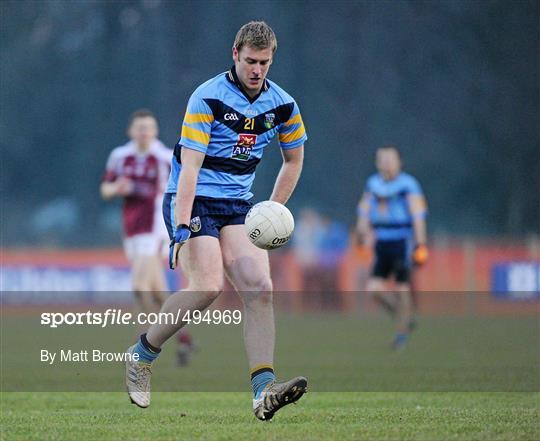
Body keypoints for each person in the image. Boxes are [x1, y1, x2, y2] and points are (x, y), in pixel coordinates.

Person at [125, 22, 308, 421]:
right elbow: (189, 169)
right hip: (193, 199)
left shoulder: (283, 104)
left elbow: (294, 159)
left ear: (272, 59)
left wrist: (271, 209)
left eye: (264, 62)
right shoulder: (207, 97)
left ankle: (263, 392)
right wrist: (180, 225)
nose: (257, 70)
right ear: (235, 54)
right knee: (208, 287)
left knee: (260, 289)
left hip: (238, 205)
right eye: (250, 61)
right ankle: (141, 355)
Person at [101, 110, 194, 362]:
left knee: (139, 286)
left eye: (148, 128)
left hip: (155, 227)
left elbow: (177, 189)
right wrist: (117, 188)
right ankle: (182, 336)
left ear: (155, 132)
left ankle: (142, 346)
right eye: (139, 128)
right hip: (132, 229)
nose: (144, 132)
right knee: (157, 293)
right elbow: (106, 189)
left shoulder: (163, 157)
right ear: (130, 131)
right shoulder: (120, 156)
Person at [356, 146, 428, 350]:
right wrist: (361, 231)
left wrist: (420, 243)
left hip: (402, 241)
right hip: (381, 243)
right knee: (374, 290)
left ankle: (401, 337)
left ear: (399, 162)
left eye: (390, 159)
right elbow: (364, 210)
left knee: (402, 288)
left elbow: (418, 216)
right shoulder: (373, 184)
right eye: (382, 159)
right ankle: (404, 317)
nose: (386, 163)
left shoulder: (408, 184)